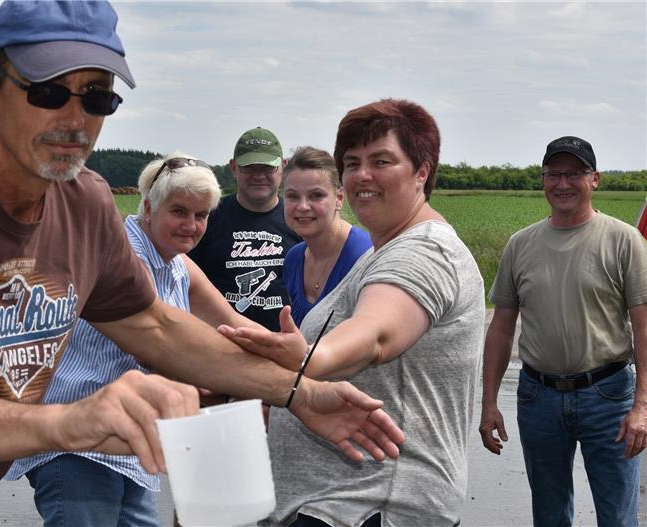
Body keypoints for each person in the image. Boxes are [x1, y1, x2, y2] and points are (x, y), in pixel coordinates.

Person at [0, 3, 406, 525]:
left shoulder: (83, 202)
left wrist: (299, 390)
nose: (75, 118)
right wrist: (66, 423)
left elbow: (157, 326)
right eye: (47, 91)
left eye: (97, 97)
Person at [219, 99, 486, 526]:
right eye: (352, 162)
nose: (363, 175)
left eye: (382, 161)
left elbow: (377, 330)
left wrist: (310, 359)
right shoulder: (381, 251)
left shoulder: (426, 251)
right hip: (333, 504)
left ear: (422, 171)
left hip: (372, 507)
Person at [5, 152, 262, 526]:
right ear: (147, 207)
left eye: (201, 215)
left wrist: (301, 361)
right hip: (77, 441)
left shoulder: (178, 264)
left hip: (128, 444)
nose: (191, 225)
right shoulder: (124, 255)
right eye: (179, 211)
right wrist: (254, 386)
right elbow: (164, 348)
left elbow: (235, 325)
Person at [479, 136, 647, 527]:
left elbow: (643, 326)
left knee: (618, 516)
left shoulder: (624, 241)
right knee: (549, 514)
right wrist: (489, 402)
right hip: (539, 397)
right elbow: (501, 328)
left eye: (574, 173)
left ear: (595, 179)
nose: (563, 184)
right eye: (554, 174)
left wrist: (642, 406)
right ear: (543, 180)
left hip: (609, 397)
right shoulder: (521, 245)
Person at [188, 127, 302, 332]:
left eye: (268, 167)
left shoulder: (300, 217)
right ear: (233, 167)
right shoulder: (206, 218)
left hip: (286, 342)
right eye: (249, 167)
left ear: (283, 167)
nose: (259, 176)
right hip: (222, 343)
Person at [281, 146, 372, 326]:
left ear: (339, 198)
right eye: (292, 196)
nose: (303, 206)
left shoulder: (365, 256)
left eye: (316, 195)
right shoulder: (293, 259)